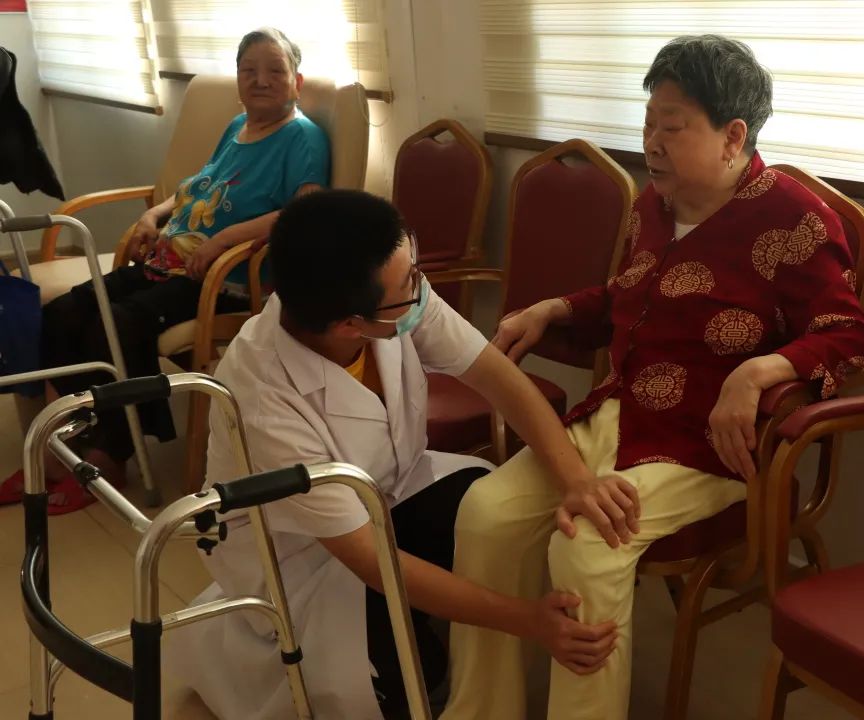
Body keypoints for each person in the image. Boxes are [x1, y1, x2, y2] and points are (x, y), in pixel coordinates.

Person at [441, 35, 864, 720]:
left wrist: (756, 372)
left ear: (733, 137)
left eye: (672, 127)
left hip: (708, 445)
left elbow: (847, 336)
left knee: (589, 543)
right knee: (486, 513)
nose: (652, 143)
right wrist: (555, 309)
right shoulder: (653, 206)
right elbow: (627, 298)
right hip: (617, 413)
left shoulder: (795, 220)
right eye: (648, 124)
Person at [168, 189, 628, 719]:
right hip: (303, 558)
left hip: (393, 490)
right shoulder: (263, 400)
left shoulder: (390, 292)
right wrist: (530, 621)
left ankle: (427, 621)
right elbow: (368, 560)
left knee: (493, 519)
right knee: (412, 681)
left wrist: (576, 479)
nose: (421, 291)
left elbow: (495, 375)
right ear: (350, 324)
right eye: (409, 285)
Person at [0, 27, 329, 514]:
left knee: (117, 324)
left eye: (274, 71)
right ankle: (68, 444)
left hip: (223, 279)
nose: (260, 80)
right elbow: (198, 186)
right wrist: (153, 216)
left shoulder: (302, 137)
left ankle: (111, 456)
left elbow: (306, 212)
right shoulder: (237, 127)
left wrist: (222, 240)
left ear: (296, 81)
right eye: (249, 71)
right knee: (66, 311)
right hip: (167, 263)